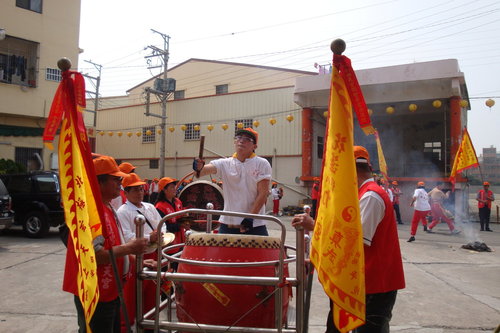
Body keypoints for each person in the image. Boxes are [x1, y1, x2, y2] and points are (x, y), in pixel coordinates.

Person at [292, 146, 405, 333]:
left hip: (374, 283)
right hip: (355, 281)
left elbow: (353, 242)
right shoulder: (356, 195)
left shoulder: (370, 196)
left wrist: (315, 226)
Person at [62, 155, 151, 333]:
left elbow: (113, 242)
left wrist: (132, 258)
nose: (120, 183)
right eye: (115, 179)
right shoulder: (89, 212)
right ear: (99, 183)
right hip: (95, 292)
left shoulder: (108, 206)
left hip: (111, 290)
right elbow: (94, 256)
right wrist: (130, 248)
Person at [192, 127, 271, 236]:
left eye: (247, 139)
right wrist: (198, 166)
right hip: (228, 223)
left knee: (262, 252)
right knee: (222, 253)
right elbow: (200, 173)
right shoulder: (224, 163)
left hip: (255, 223)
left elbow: (263, 193)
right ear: (235, 142)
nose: (241, 140)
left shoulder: (262, 163)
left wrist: (250, 217)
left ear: (255, 146)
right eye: (239, 137)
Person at [116, 173, 165, 332]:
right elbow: (126, 236)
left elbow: (161, 224)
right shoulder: (123, 212)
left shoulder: (149, 207)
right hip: (135, 256)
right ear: (127, 192)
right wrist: (148, 237)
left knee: (151, 292)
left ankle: (149, 323)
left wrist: (160, 234)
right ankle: (127, 326)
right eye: (135, 190)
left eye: (141, 189)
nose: (140, 192)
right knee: (132, 294)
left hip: (153, 253)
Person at [155, 177, 188, 254]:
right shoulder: (159, 207)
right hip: (169, 245)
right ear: (164, 190)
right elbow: (163, 228)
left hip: (181, 242)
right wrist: (180, 225)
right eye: (172, 187)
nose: (175, 189)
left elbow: (182, 216)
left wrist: (186, 221)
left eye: (175, 186)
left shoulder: (178, 202)